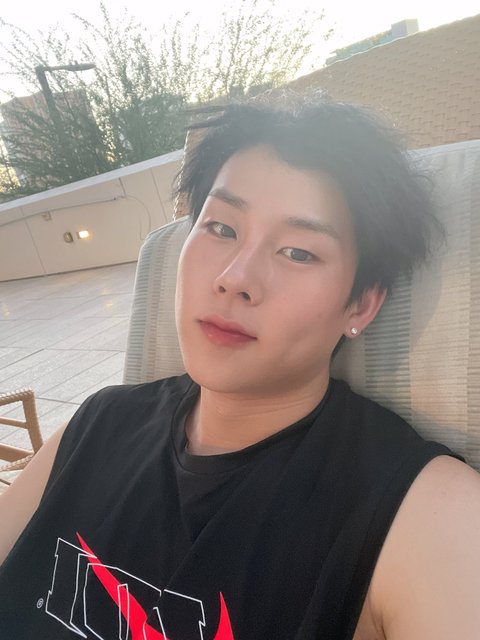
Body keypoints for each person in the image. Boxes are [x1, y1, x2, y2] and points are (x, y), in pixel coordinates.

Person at [1, 93, 480, 640]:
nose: (234, 278)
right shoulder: (98, 423)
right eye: (222, 229)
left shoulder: (421, 509)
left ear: (361, 305)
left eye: (298, 252)